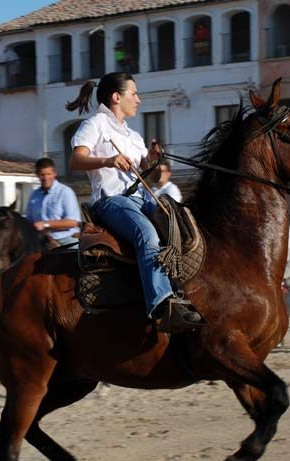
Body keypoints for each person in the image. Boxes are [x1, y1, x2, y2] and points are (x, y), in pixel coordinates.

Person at [67, 71, 203, 332]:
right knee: (147, 234)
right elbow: (75, 160)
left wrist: (152, 159)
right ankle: (161, 304)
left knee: (180, 224)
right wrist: (107, 160)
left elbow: (146, 170)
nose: (139, 99)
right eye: (134, 94)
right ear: (116, 97)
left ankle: (184, 289)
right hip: (111, 201)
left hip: (140, 198)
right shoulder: (94, 124)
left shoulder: (133, 136)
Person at [25, 157, 81, 246]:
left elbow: (73, 222)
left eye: (48, 174)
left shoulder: (65, 192)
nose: (46, 178)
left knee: (76, 258)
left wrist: (45, 224)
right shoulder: (34, 195)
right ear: (37, 175)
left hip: (66, 240)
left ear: (54, 173)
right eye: (42, 175)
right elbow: (28, 220)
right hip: (41, 241)